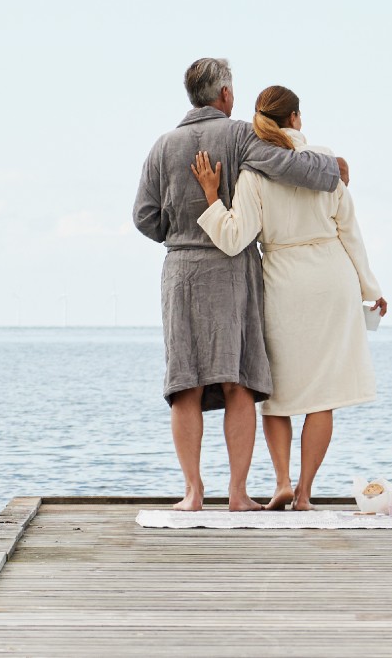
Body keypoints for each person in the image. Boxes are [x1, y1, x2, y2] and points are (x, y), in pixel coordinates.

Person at [133, 59, 349, 512]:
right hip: (232, 270)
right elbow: (289, 166)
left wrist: (180, 234)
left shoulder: (162, 146)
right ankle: (237, 493)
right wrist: (333, 167)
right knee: (239, 383)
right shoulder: (239, 136)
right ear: (226, 95)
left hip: (181, 271)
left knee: (185, 384)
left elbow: (144, 217)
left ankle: (193, 492)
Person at [190, 84, 386, 511]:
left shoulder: (253, 173)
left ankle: (281, 482)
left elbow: (233, 238)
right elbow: (350, 231)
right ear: (296, 117)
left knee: (277, 393)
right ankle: (305, 494)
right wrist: (370, 288)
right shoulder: (325, 163)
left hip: (281, 282)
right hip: (331, 277)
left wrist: (211, 196)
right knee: (323, 393)